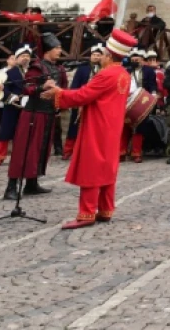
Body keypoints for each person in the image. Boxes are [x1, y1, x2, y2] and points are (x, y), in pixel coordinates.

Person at [39, 28, 134, 229]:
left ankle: (87, 213)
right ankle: (105, 209)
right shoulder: (123, 74)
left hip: (97, 127)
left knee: (91, 168)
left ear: (108, 55)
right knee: (107, 168)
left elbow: (83, 95)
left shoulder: (106, 74)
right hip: (112, 127)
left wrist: (58, 92)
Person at [6, 33, 66, 200]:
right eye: (57, 48)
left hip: (49, 114)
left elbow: (64, 90)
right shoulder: (36, 67)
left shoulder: (60, 69)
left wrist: (60, 103)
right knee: (24, 150)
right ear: (48, 50)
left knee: (41, 150)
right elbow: (27, 89)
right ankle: (11, 186)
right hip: (33, 113)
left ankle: (31, 183)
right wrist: (42, 87)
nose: (60, 51)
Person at [0, 46, 32, 165]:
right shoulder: (9, 73)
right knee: (5, 131)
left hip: (27, 105)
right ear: (16, 59)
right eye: (22, 56)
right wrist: (12, 97)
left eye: (27, 56)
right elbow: (4, 88)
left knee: (23, 132)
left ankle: (19, 156)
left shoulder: (33, 73)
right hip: (12, 105)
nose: (25, 58)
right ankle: (0, 156)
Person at [64, 44, 101, 159]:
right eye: (94, 55)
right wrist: (75, 99)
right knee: (74, 126)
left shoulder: (104, 70)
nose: (96, 57)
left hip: (95, 103)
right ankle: (68, 150)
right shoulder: (82, 69)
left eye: (98, 55)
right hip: (81, 100)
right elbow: (75, 85)